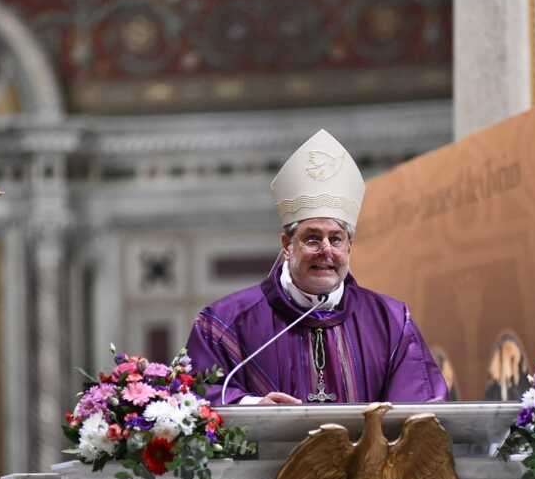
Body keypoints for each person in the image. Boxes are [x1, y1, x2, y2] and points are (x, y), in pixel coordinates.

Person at [187, 129, 447, 405]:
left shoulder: (391, 320)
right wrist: (250, 407)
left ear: (349, 247)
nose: (326, 250)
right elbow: (194, 395)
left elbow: (421, 405)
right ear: (287, 245)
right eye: (312, 238)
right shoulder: (226, 322)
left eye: (336, 239)